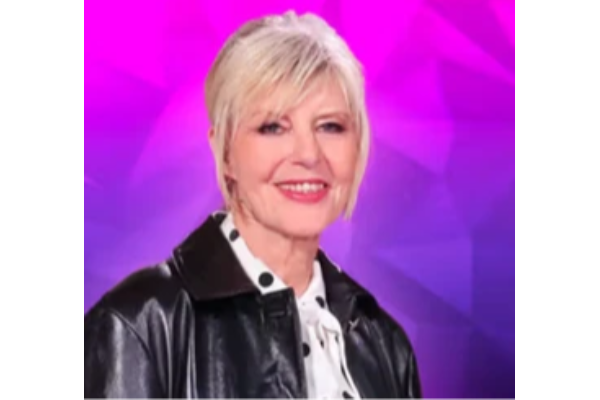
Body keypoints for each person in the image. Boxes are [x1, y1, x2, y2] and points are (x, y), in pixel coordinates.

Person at [84, 11, 422, 400]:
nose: (309, 154)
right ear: (225, 151)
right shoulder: (139, 326)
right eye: (273, 127)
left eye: (330, 126)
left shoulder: (384, 343)